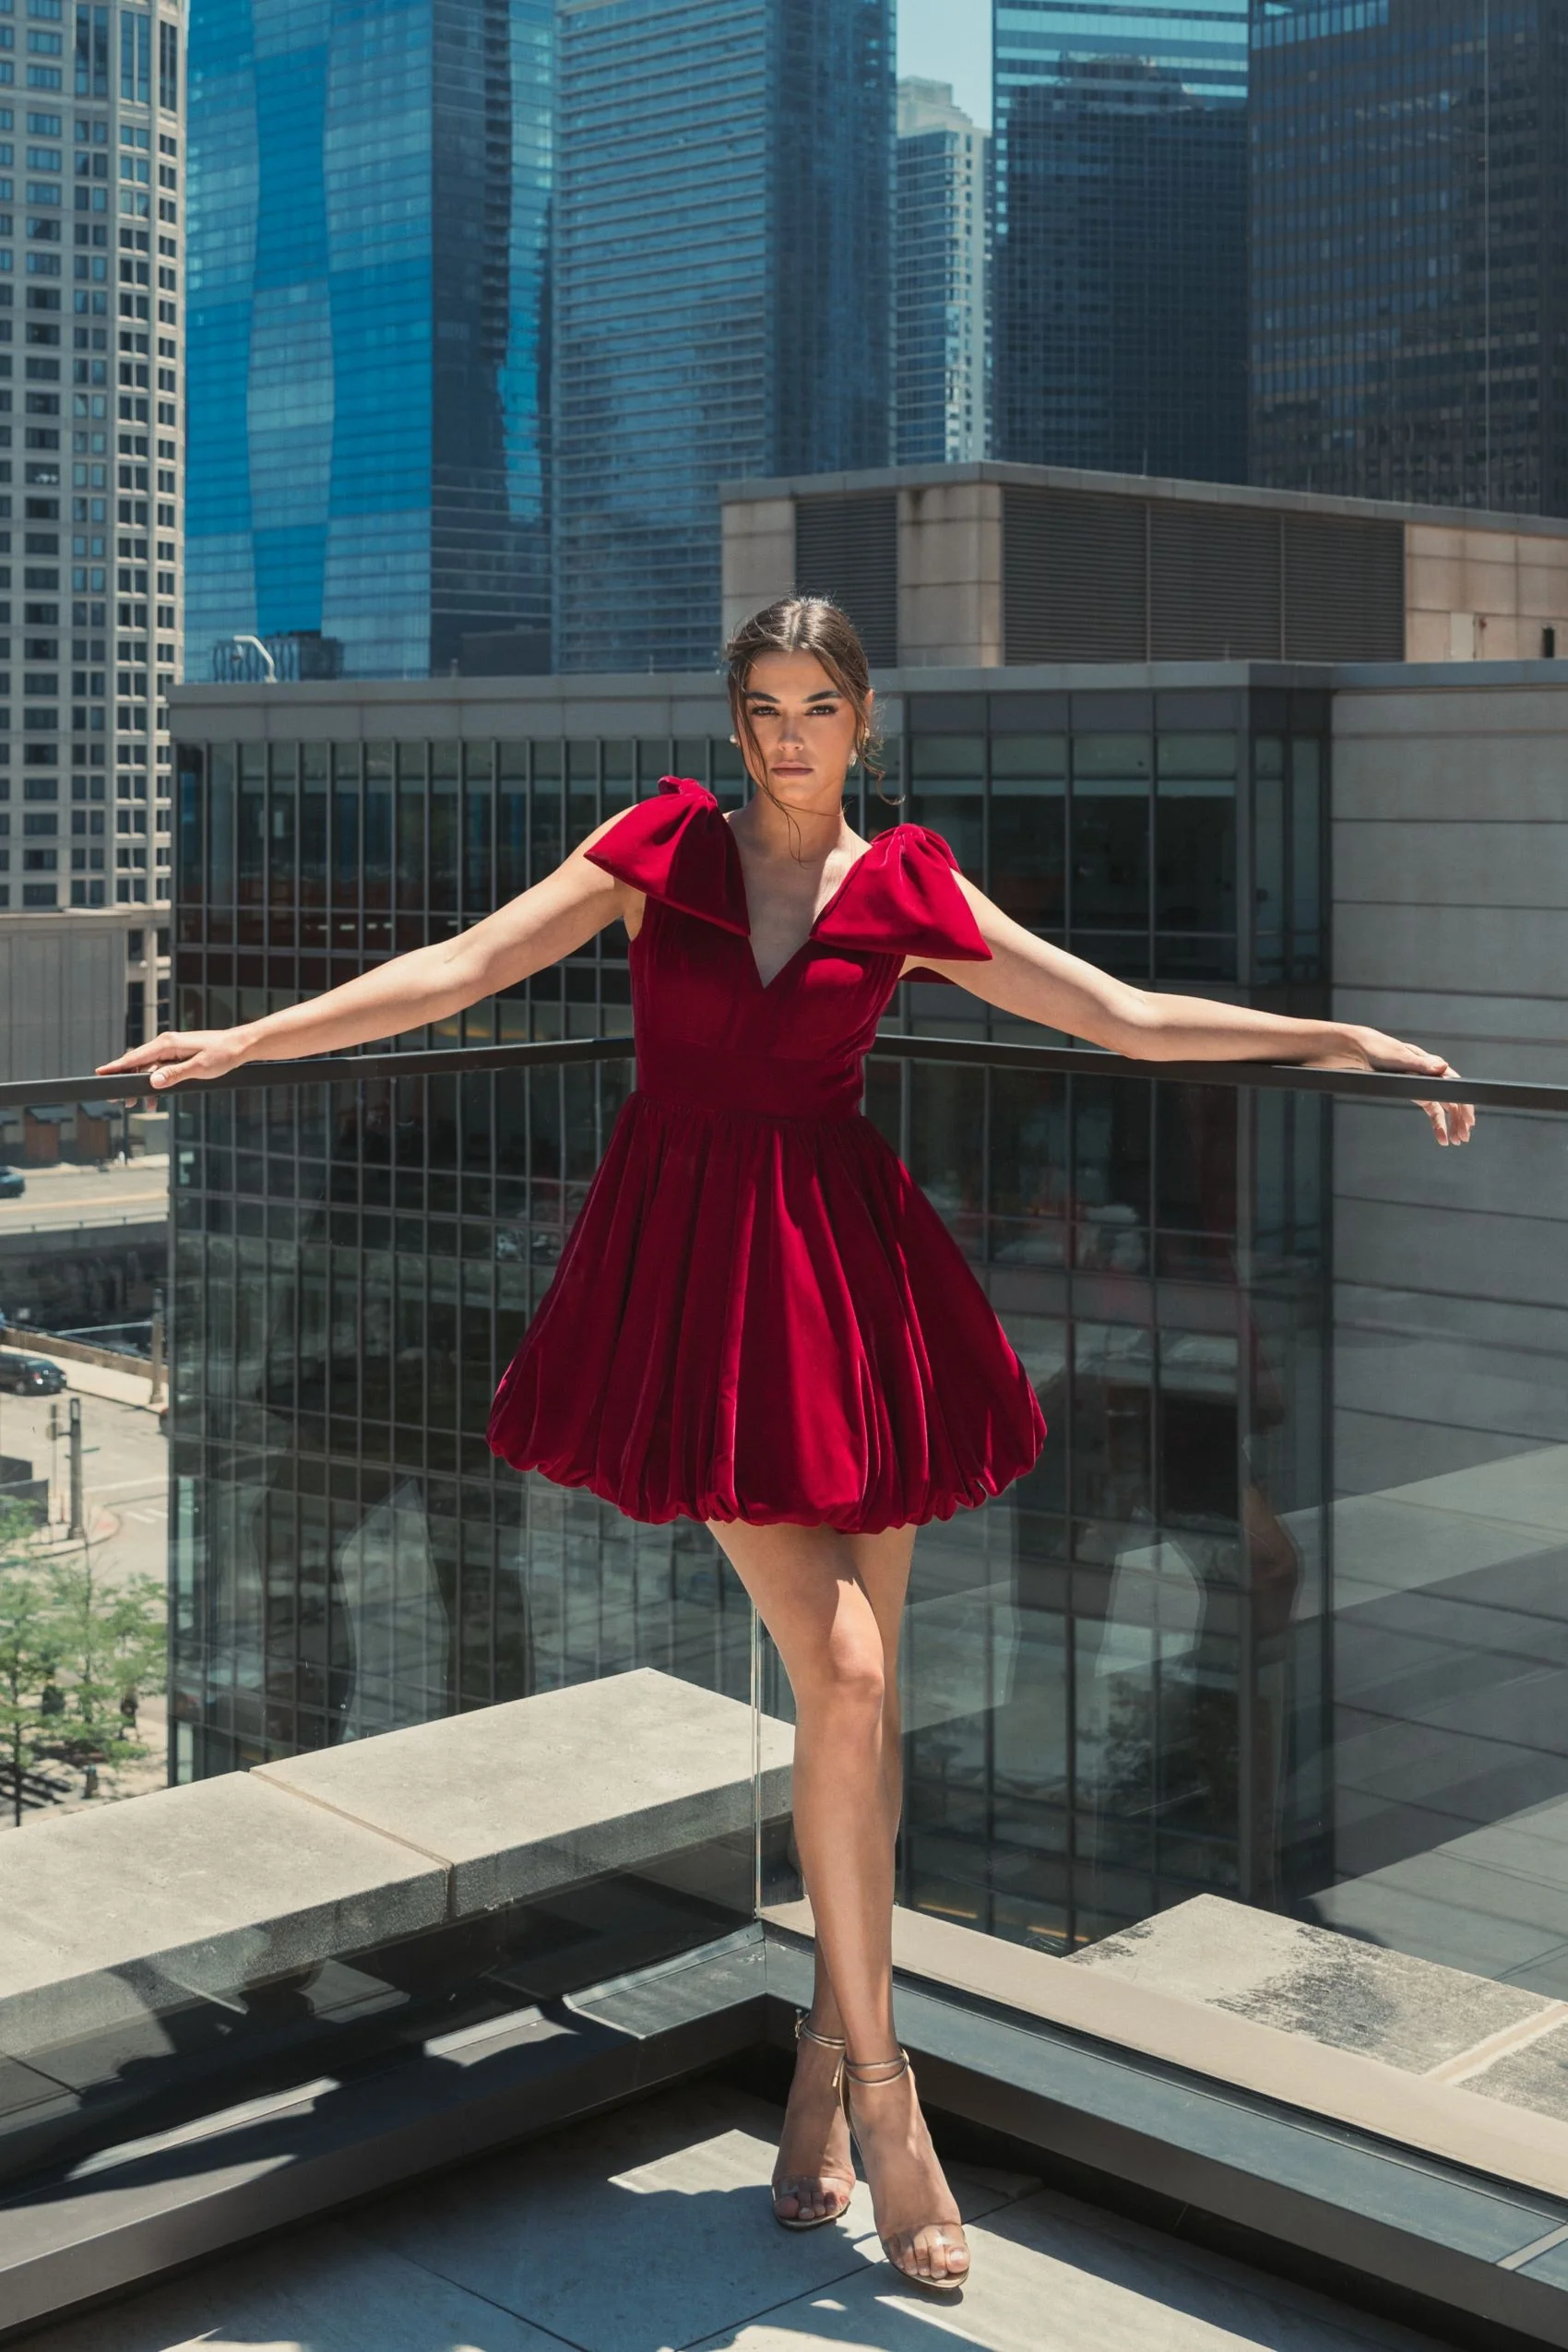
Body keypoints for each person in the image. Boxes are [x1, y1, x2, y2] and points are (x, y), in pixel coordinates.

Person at [98, 599, 1472, 2293]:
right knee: (849, 1673)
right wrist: (248, 1036)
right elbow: (461, 970)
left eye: (819, 704)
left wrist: (1342, 1038)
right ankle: (891, 2101)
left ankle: (821, 2073)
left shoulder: (903, 886)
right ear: (735, 719)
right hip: (698, 1294)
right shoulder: (661, 848)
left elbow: (1121, 1016)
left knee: (863, 1717)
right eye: (765, 704)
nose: (790, 733)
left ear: (862, 721)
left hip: (851, 1292)